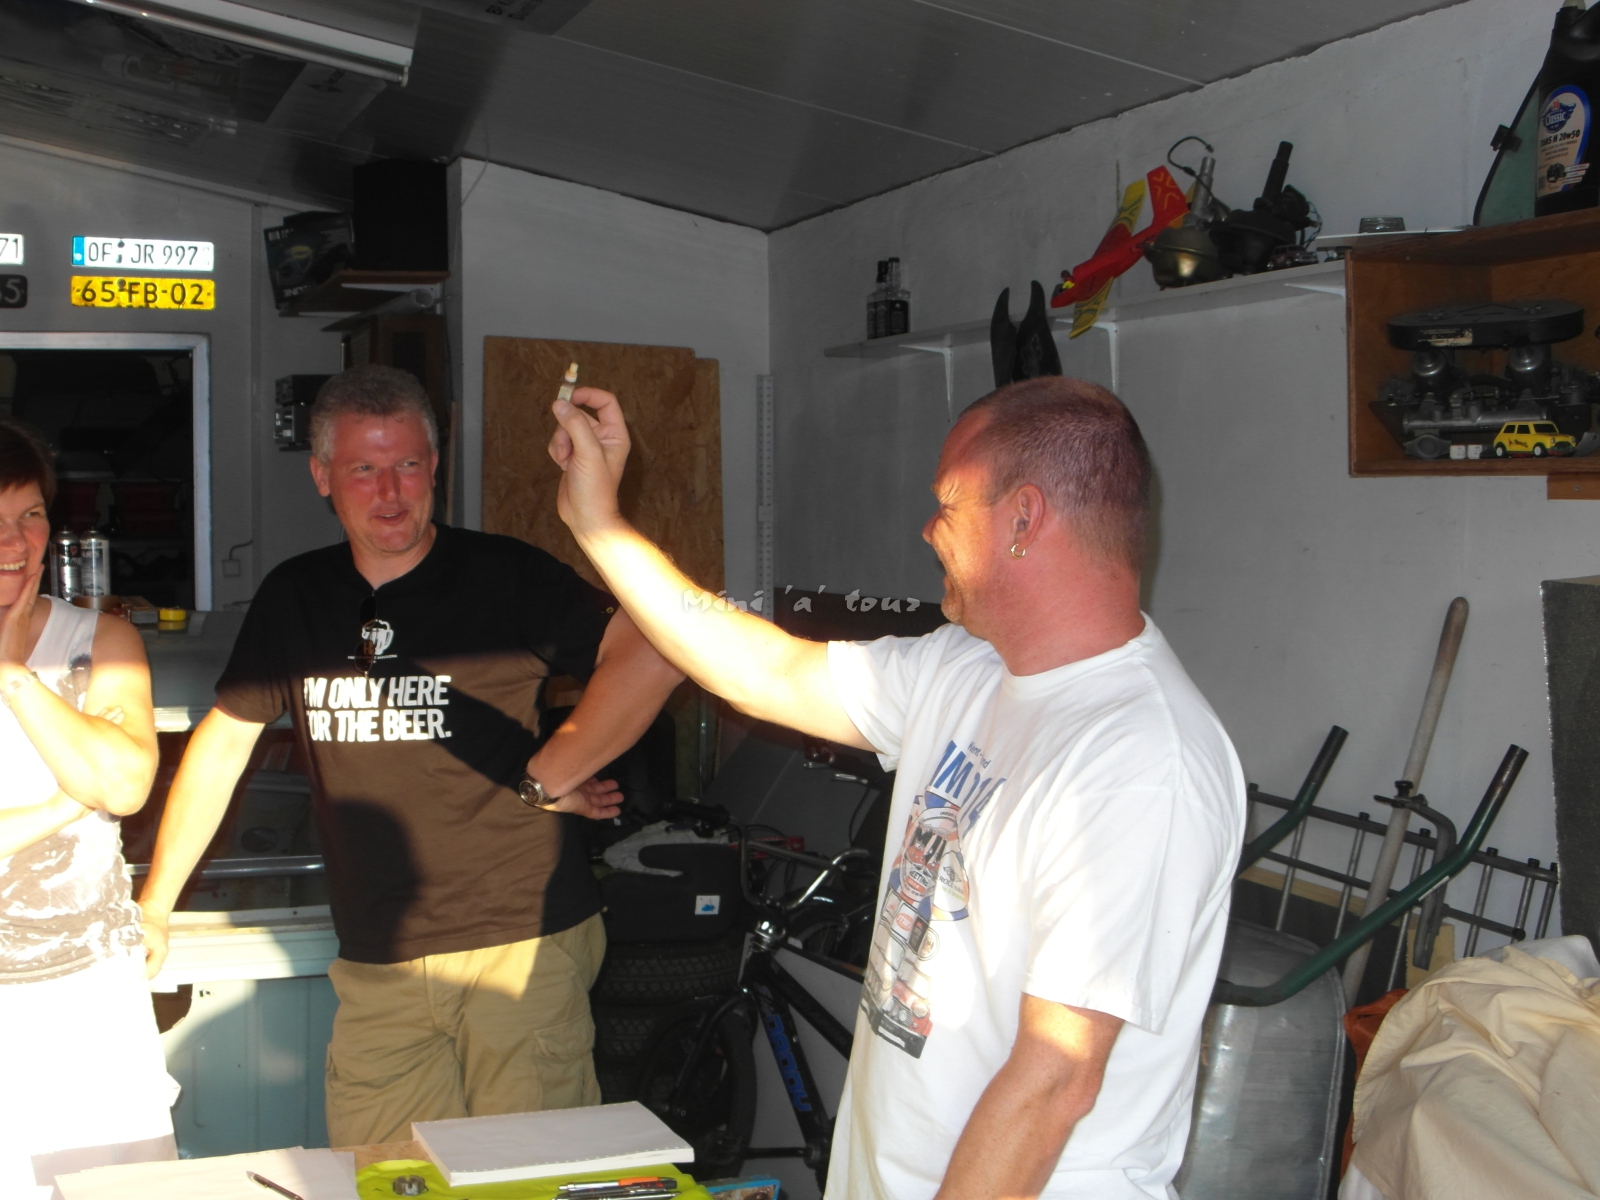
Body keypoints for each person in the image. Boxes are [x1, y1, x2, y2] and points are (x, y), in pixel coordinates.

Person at [547, 374, 1246, 1200]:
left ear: (1023, 520)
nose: (926, 529)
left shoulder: (1139, 761)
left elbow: (1054, 1080)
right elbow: (766, 671)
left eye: (946, 505)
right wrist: (599, 525)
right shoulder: (968, 667)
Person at [139, 364, 683, 1148]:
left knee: (522, 1180)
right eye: (364, 469)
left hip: (519, 945)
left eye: (408, 465)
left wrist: (547, 775)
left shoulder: (506, 576)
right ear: (322, 476)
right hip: (379, 956)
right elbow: (223, 745)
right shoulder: (296, 596)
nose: (390, 493)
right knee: (383, 1179)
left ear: (435, 466)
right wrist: (156, 904)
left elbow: (655, 648)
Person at [0, 417, 177, 1197]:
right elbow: (99, 783)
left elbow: (126, 786)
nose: (15, 542)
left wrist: (12, 674)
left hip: (90, 1009)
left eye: (30, 514)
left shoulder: (101, 641)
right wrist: (68, 801)